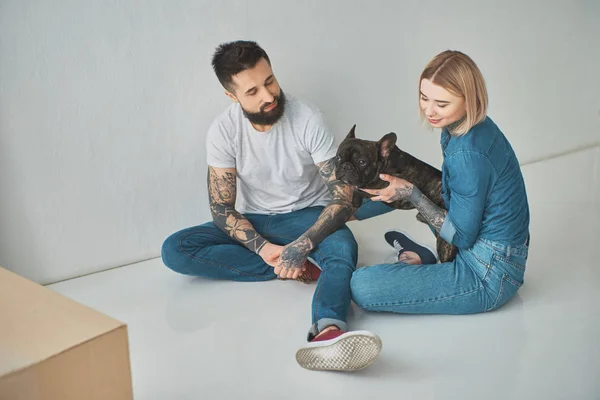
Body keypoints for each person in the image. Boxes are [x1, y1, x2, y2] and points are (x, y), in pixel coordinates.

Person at [161, 40, 384, 371]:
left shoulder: (307, 117)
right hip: (255, 221)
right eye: (252, 91)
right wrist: (265, 249)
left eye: (270, 81)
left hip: (308, 215)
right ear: (232, 96)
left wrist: (305, 241)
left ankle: (327, 330)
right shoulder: (222, 131)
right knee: (175, 249)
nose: (268, 96)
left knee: (343, 250)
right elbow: (222, 208)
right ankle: (295, 267)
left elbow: (343, 196)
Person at [351, 50, 530, 315]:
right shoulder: (466, 126)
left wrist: (411, 194)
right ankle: (346, 214)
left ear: (470, 99)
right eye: (424, 98)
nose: (429, 110)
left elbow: (461, 237)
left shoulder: (467, 154)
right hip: (493, 249)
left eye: (442, 104)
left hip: (488, 274)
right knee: (407, 181)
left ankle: (420, 262)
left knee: (361, 285)